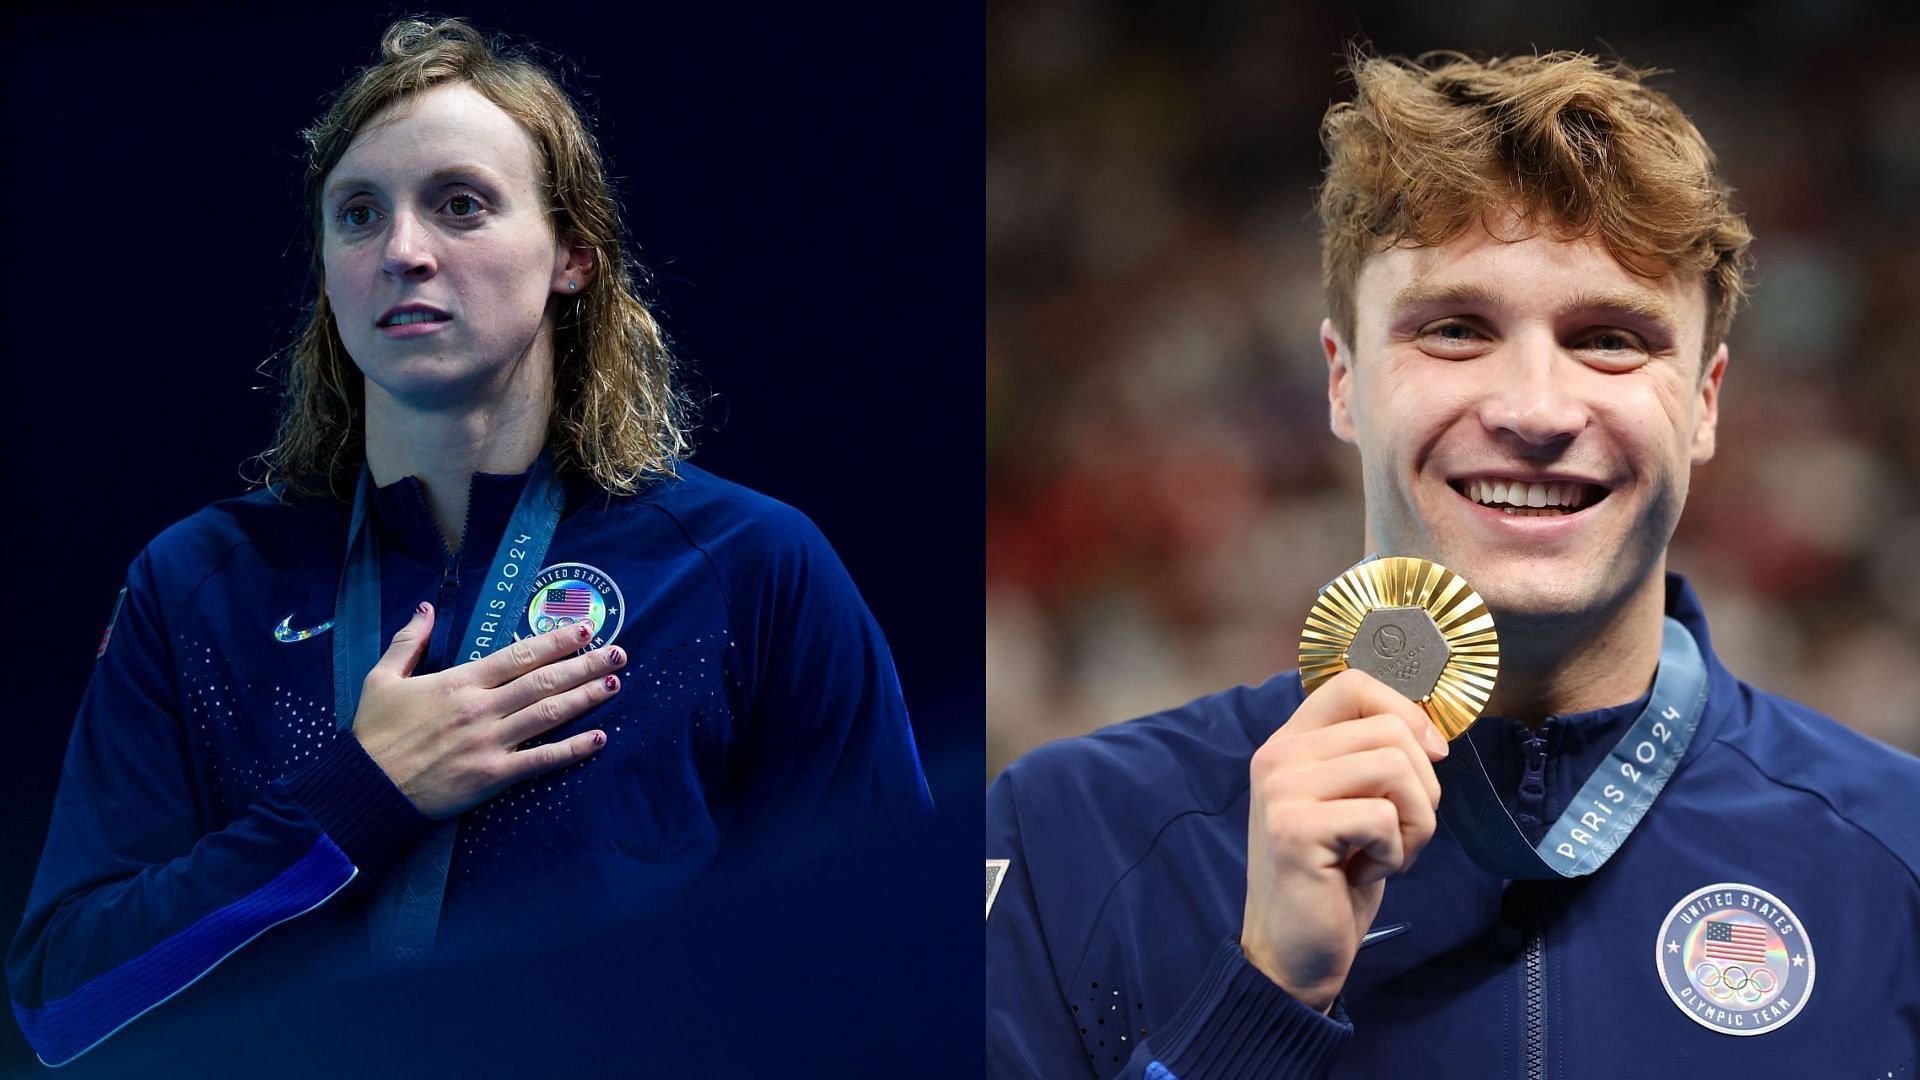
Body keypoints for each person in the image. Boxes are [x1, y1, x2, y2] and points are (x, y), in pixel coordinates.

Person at [7, 17, 930, 1069]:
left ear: (573, 255)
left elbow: (886, 953)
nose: (402, 250)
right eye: (358, 215)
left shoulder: (747, 566)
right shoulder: (197, 585)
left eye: (460, 204)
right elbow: (63, 999)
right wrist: (356, 797)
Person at [986, 51, 1920, 1076]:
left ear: (1703, 402)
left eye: (1610, 339)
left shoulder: (1896, 853)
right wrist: (1262, 999)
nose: (1534, 410)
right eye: (1456, 330)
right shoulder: (1066, 837)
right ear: (1343, 382)